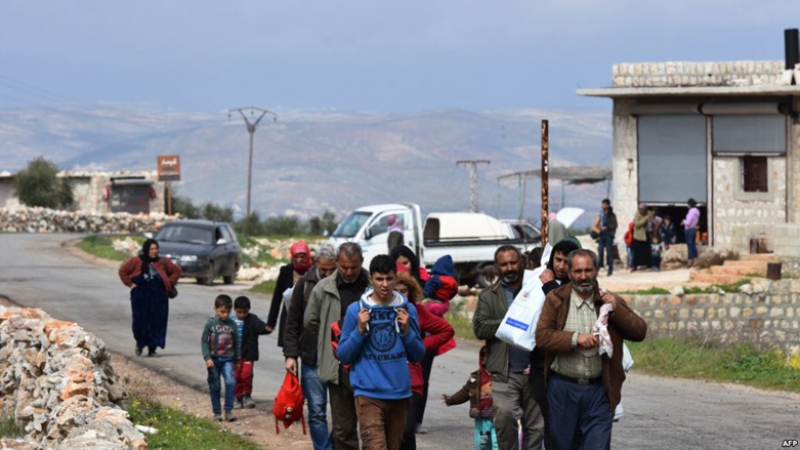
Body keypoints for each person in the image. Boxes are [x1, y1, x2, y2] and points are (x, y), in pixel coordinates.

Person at [535, 249, 647, 450]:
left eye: (588, 270)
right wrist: (576, 339)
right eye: (578, 271)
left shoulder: (607, 299)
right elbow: (542, 337)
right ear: (569, 272)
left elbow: (639, 332)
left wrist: (617, 308)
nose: (584, 276)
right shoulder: (556, 299)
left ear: (596, 270)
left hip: (599, 389)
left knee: (597, 445)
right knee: (562, 445)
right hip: (563, 389)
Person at [336, 254, 426, 450]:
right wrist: (359, 331)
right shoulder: (356, 310)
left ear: (396, 278)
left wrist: (407, 332)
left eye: (389, 278)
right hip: (368, 394)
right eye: (379, 279)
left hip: (400, 394)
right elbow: (343, 355)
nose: (385, 284)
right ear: (371, 280)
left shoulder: (407, 309)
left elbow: (417, 355)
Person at [473, 245, 544, 449]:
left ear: (522, 262)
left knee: (537, 427)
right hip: (505, 373)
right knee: (504, 420)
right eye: (504, 264)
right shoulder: (488, 295)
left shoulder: (535, 289)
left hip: (535, 371)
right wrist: (511, 322)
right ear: (497, 267)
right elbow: (479, 328)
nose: (509, 268)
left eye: (513, 262)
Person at [304, 243, 370, 450]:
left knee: (371, 427)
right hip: (338, 367)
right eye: (344, 267)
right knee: (343, 428)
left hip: (369, 365)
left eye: (354, 267)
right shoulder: (323, 289)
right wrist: (329, 341)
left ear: (361, 263)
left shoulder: (374, 285)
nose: (349, 272)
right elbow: (310, 321)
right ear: (337, 264)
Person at [284, 243, 338, 450]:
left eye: (331, 269)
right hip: (311, 358)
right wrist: (290, 355)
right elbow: (293, 321)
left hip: (338, 358)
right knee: (316, 411)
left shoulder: (342, 283)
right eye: (324, 269)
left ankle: (333, 444)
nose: (327, 274)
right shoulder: (305, 284)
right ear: (316, 263)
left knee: (344, 410)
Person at [396, 270, 455, 450]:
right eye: (395, 290)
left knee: (407, 430)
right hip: (387, 380)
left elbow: (447, 330)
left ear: (411, 292)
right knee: (394, 434)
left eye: (404, 291)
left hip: (413, 381)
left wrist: (422, 344)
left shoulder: (417, 312)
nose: (399, 295)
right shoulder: (377, 311)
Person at [534, 238, 581, 448]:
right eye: (557, 260)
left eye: (565, 261)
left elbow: (565, 315)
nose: (560, 266)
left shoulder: (581, 286)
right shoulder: (539, 279)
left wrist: (550, 287)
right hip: (542, 367)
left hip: (570, 366)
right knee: (551, 422)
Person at [118, 238, 182, 357]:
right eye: (152, 249)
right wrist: (131, 284)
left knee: (157, 322)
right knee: (139, 322)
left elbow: (176, 271)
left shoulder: (163, 261)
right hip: (140, 297)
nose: (154, 251)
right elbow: (123, 271)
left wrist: (168, 282)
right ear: (146, 249)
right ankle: (140, 343)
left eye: (156, 248)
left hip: (159, 297)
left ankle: (152, 349)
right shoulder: (136, 261)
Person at [442, 346, 497, 450]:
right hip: (481, 417)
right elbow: (464, 393)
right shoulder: (475, 378)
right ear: (483, 360)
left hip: (498, 417)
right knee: (482, 445)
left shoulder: (501, 377)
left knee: (497, 444)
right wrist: (451, 400)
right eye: (487, 358)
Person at [201, 294, 241, 423]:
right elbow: (204, 341)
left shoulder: (232, 325)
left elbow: (237, 343)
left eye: (228, 312)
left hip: (228, 360)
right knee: (215, 385)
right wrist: (207, 357)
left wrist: (238, 359)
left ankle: (228, 410)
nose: (225, 315)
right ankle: (217, 412)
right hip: (213, 360)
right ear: (215, 309)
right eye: (222, 312)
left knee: (230, 382)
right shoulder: (211, 324)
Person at [268, 241, 313, 347]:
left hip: (308, 317)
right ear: (292, 257)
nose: (300, 259)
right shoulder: (286, 272)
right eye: (297, 257)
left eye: (303, 256)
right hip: (289, 316)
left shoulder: (313, 271)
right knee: (289, 350)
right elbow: (277, 297)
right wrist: (271, 322)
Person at [232, 296, 270, 409]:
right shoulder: (230, 322)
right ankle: (238, 397)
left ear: (249, 309)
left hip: (248, 354)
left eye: (245, 312)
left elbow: (260, 327)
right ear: (235, 310)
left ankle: (247, 396)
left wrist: (267, 328)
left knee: (246, 375)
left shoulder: (252, 320)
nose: (242, 314)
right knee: (237, 376)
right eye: (239, 312)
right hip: (235, 356)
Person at [597, 199, 618, 276]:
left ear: (608, 205)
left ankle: (610, 270)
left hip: (608, 235)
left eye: (604, 204)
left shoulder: (612, 215)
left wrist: (607, 227)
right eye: (602, 204)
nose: (603, 206)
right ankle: (600, 266)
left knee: (609, 253)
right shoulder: (601, 214)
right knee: (600, 250)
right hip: (601, 235)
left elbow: (615, 225)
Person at [631, 203, 653, 271]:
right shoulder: (637, 214)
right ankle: (635, 266)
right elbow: (637, 224)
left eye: (642, 209)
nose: (641, 211)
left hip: (647, 234)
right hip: (638, 235)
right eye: (640, 209)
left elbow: (651, 220)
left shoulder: (649, 213)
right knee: (637, 252)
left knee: (647, 251)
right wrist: (645, 219)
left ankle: (648, 264)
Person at [682, 198, 700, 267]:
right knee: (692, 244)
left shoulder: (691, 211)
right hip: (694, 229)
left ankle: (690, 260)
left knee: (689, 245)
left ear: (689, 205)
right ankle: (695, 259)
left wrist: (684, 221)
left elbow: (688, 222)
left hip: (689, 230)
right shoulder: (697, 211)